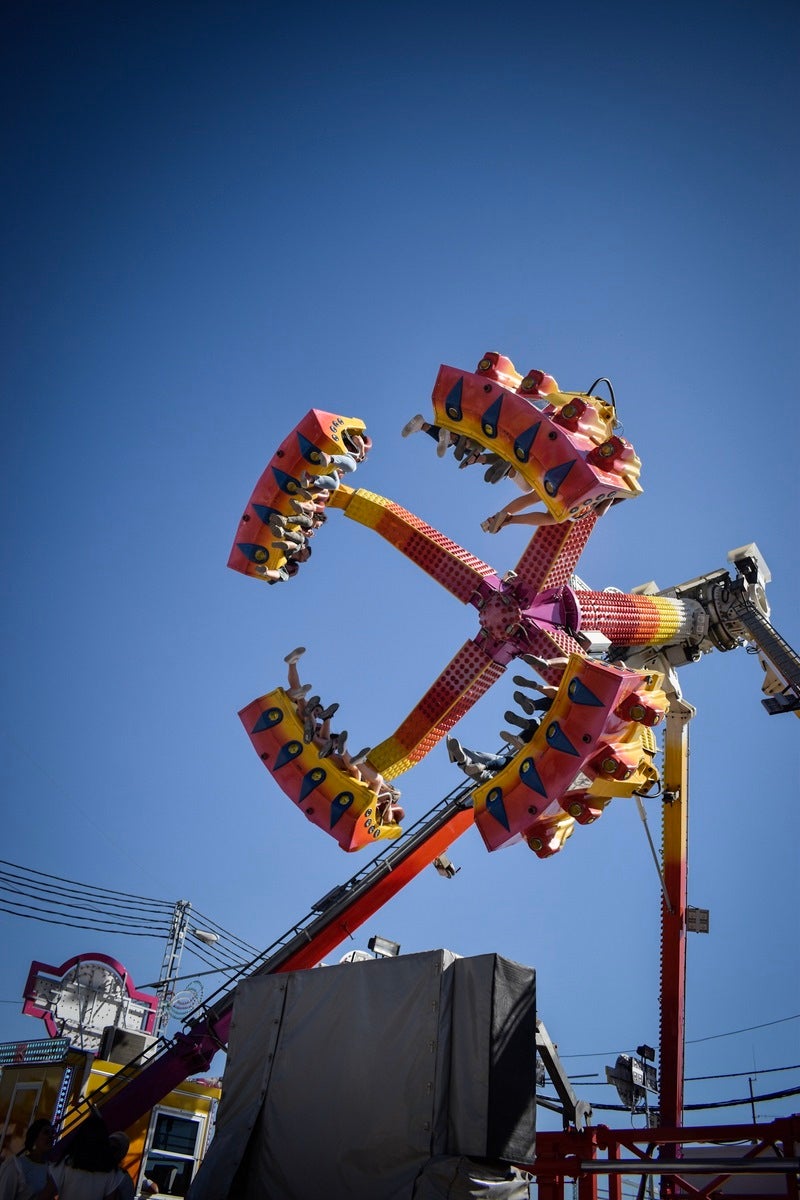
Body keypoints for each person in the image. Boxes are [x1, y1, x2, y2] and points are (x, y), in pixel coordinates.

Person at [0, 1119, 56, 1200]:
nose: (50, 1136)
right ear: (35, 1137)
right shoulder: (16, 1166)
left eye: (53, 1133)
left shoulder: (51, 1169)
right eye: (46, 1132)